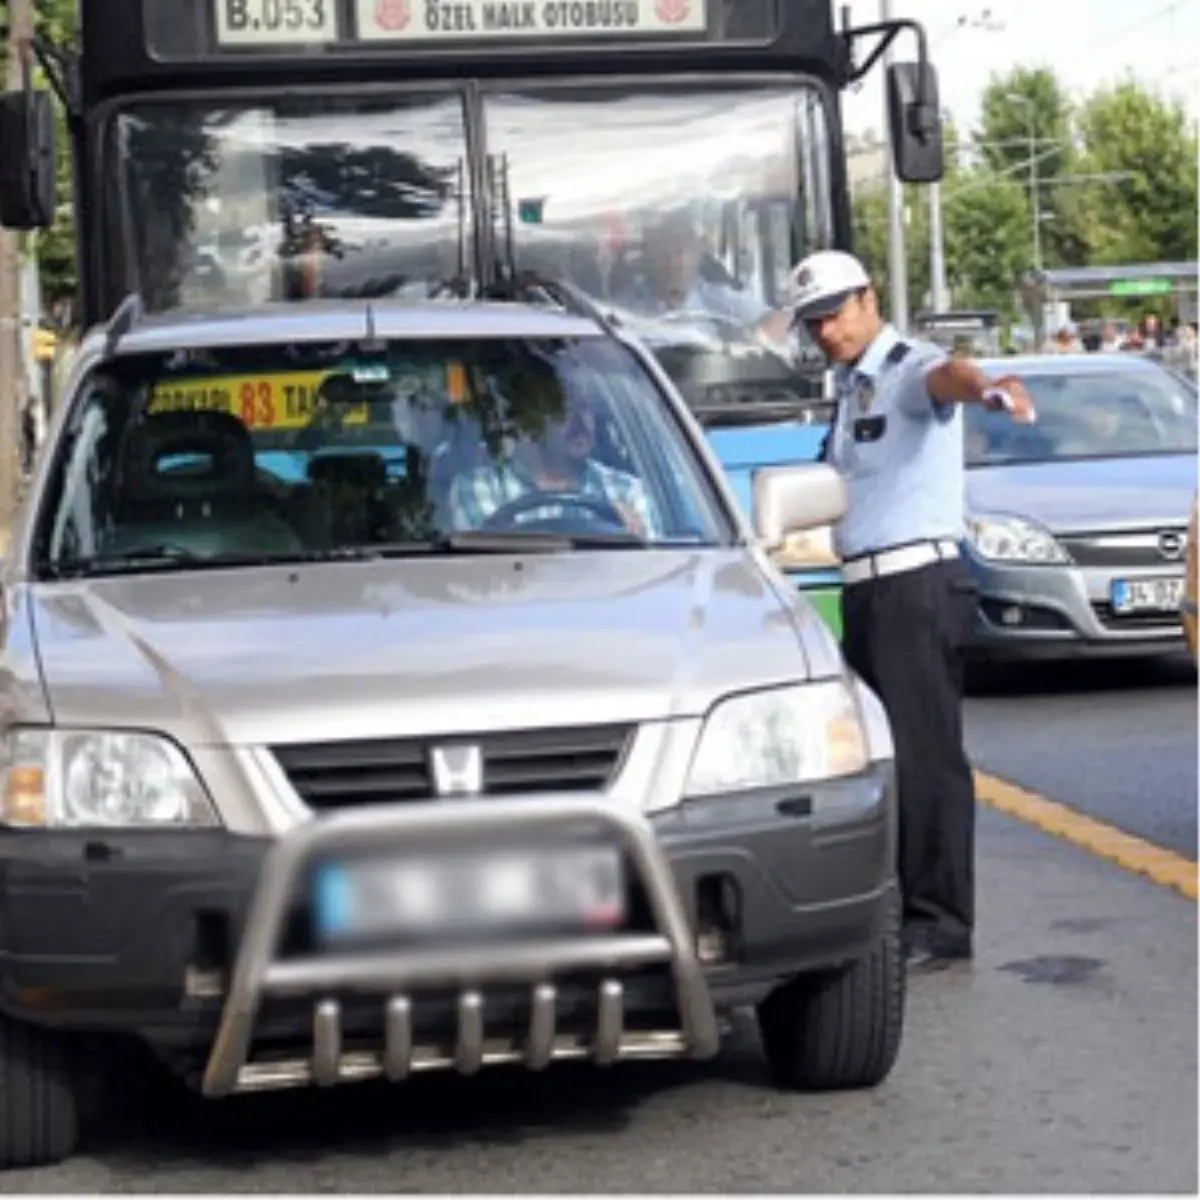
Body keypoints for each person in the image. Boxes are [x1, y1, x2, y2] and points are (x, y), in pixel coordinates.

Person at [788, 249, 1036, 968]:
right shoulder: (849, 387)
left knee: (926, 756)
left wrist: (988, 388)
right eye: (811, 323)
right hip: (868, 590)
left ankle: (942, 922)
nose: (825, 332)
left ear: (868, 299)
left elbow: (948, 379)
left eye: (833, 314)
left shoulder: (903, 370)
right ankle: (899, 905)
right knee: (882, 754)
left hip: (916, 585)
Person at [448, 387, 660, 539]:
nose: (581, 422)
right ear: (527, 424)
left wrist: (636, 538)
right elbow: (486, 572)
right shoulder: (481, 487)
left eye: (585, 408)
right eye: (565, 410)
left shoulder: (625, 491)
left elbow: (652, 571)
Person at [613, 208, 793, 346]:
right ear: (649, 253)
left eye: (679, 251)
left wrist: (757, 340)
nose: (672, 262)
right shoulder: (624, 310)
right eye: (662, 250)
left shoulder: (713, 299)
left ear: (697, 253)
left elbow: (783, 320)